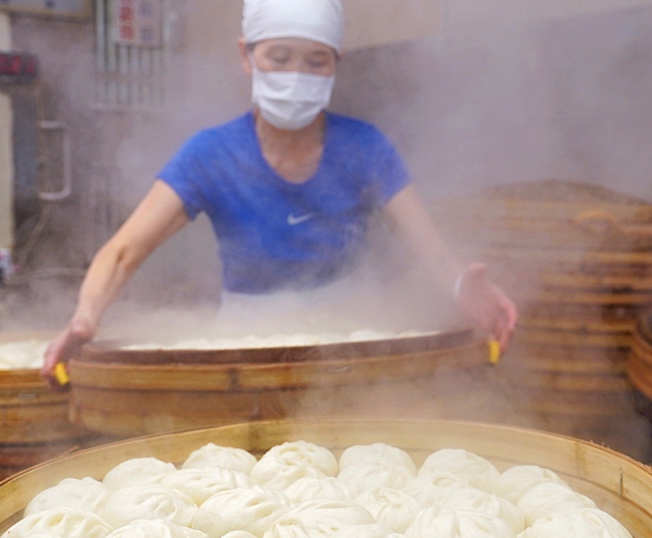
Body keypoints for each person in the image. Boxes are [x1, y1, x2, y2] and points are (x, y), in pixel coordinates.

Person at [41, 0, 517, 384]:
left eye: (316, 60)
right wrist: (86, 318)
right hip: (243, 351)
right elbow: (124, 251)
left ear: (335, 65)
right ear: (247, 56)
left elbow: (429, 249)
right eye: (280, 57)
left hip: (348, 342)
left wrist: (462, 286)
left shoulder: (365, 147)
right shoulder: (210, 154)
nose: (297, 75)